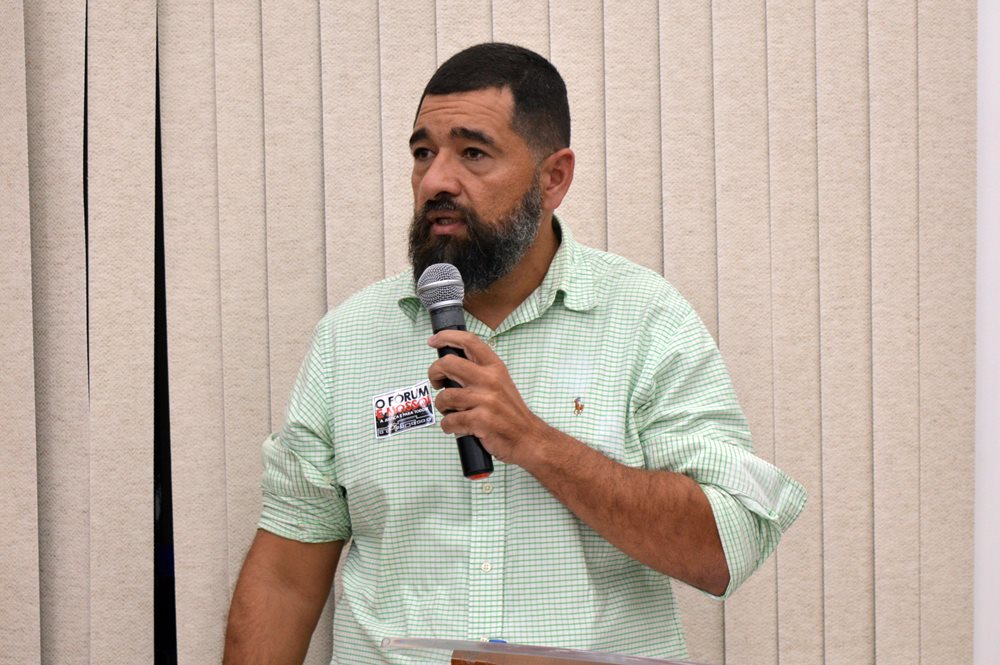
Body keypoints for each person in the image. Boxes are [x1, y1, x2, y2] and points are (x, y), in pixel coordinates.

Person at [224, 42, 805, 664]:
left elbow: (725, 549)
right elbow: (285, 577)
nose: (436, 180)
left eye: (473, 153)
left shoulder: (645, 319)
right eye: (423, 153)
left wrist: (533, 441)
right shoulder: (351, 336)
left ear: (553, 178)